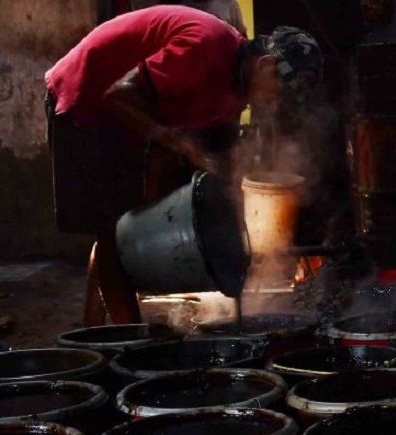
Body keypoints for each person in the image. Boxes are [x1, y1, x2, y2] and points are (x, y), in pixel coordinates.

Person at [45, 6, 322, 326]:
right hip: (87, 99)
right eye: (278, 94)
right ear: (266, 64)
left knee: (123, 229)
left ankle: (94, 331)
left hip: (133, 118)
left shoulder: (238, 87)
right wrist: (184, 147)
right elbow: (118, 96)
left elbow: (224, 155)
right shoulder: (204, 48)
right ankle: (130, 338)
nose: (274, 104)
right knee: (113, 232)